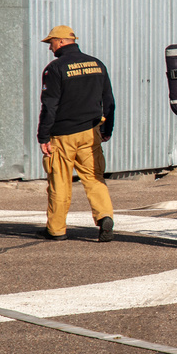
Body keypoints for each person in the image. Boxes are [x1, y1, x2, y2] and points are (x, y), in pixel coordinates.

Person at [36, 25, 115, 242]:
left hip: (63, 136)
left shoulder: (55, 68)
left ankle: (56, 230)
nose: (50, 47)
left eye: (51, 42)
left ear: (61, 42)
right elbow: (108, 101)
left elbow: (49, 106)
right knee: (94, 178)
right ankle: (105, 217)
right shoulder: (97, 64)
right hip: (91, 133)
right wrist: (107, 129)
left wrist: (43, 136)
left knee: (60, 182)